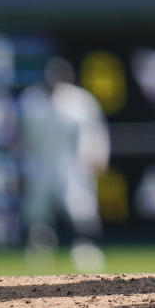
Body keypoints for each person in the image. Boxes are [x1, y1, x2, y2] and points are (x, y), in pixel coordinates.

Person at [18, 56, 110, 273]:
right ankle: (39, 252)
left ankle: (85, 249)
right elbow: (22, 138)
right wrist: (21, 165)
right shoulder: (31, 100)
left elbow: (95, 132)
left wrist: (98, 157)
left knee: (80, 206)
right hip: (40, 162)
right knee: (36, 209)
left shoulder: (80, 101)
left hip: (73, 163)